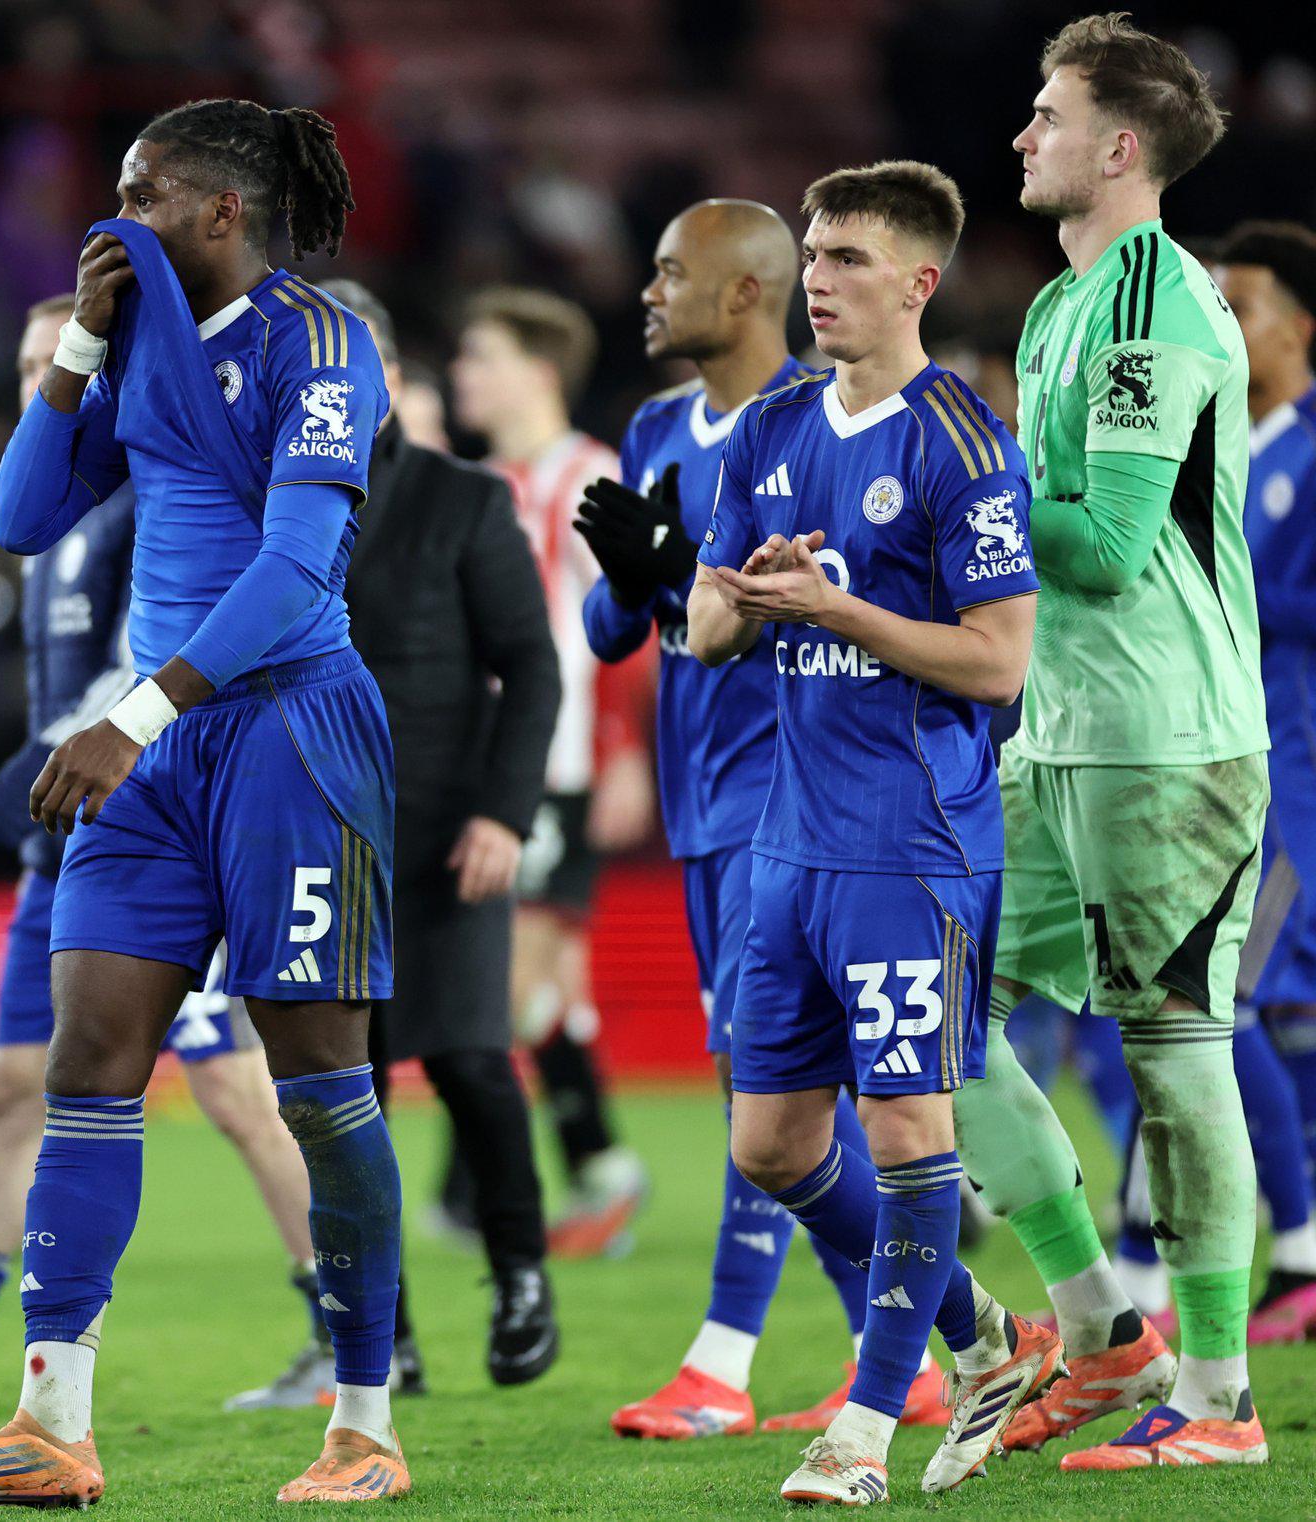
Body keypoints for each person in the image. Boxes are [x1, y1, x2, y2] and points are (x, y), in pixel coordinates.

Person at [0, 100, 408, 1507]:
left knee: (319, 1090)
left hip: (292, 738)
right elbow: (20, 517)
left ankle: (365, 1421)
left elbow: (296, 570)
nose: (112, 219)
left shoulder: (320, 344)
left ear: (221, 210)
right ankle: (51, 1422)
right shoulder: (140, 345)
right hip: (156, 750)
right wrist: (76, 348)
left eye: (140, 193)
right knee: (87, 1062)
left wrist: (135, 713)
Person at [0, 295, 328, 1420]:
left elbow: (163, 658)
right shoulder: (48, 508)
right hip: (63, 839)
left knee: (233, 1089)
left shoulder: (151, 493)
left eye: (62, 361)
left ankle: (353, 1329)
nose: (47, 383)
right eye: (33, 363)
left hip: (161, 826)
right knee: (13, 1080)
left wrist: (26, 767)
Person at [687, 160, 1058, 1506]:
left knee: (904, 1126)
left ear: (918, 280)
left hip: (913, 842)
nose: (818, 280)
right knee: (772, 1147)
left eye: (845, 257)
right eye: (811, 254)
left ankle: (861, 1431)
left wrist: (837, 610)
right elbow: (707, 629)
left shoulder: (962, 441)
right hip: (788, 843)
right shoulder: (774, 422)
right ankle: (986, 1336)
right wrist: (746, 592)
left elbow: (999, 663)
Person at [578, 199, 949, 1439]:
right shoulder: (653, 427)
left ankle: (721, 1363)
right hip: (695, 803)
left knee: (765, 1084)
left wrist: (688, 561)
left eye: (668, 272)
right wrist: (638, 574)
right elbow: (611, 628)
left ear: (744, 290)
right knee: (768, 1098)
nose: (647, 293)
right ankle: (910, 1349)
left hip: (791, 796)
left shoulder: (814, 418)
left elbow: (813, 611)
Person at [963, 14, 1272, 1469]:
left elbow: (1101, 546)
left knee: (1172, 1050)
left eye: (1049, 113)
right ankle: (1100, 1331)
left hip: (1168, 739)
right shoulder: (1056, 305)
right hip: (1056, 733)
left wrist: (960, 481)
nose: (1024, 135)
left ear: (1119, 146)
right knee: (934, 1015)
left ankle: (1219, 1400)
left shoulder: (1152, 305)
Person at [320, 277, 562, 1387]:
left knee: (470, 1061)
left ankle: (520, 1278)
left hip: (447, 838)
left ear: (389, 377)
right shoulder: (261, 498)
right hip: (316, 843)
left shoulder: (461, 498)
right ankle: (383, 1334)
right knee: (338, 1093)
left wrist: (504, 814)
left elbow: (532, 665)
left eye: (346, 358)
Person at [448, 287, 651, 1257]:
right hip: (485, 769)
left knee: (499, 982)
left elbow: (628, 626)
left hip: (555, 768)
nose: (462, 375)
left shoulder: (591, 477)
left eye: (479, 356)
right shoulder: (477, 482)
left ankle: (502, 1187)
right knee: (546, 989)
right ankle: (596, 1168)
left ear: (536, 370)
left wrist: (622, 752)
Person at [1218, 219, 1316, 1342]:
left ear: (1297, 326)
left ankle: (1296, 1251)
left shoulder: (1310, 452)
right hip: (1221, 768)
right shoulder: (1223, 446)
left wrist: (1224, 586)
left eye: (1239, 308)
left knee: (1217, 1005)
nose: (1224, 328)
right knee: (1269, 1012)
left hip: (1291, 783)